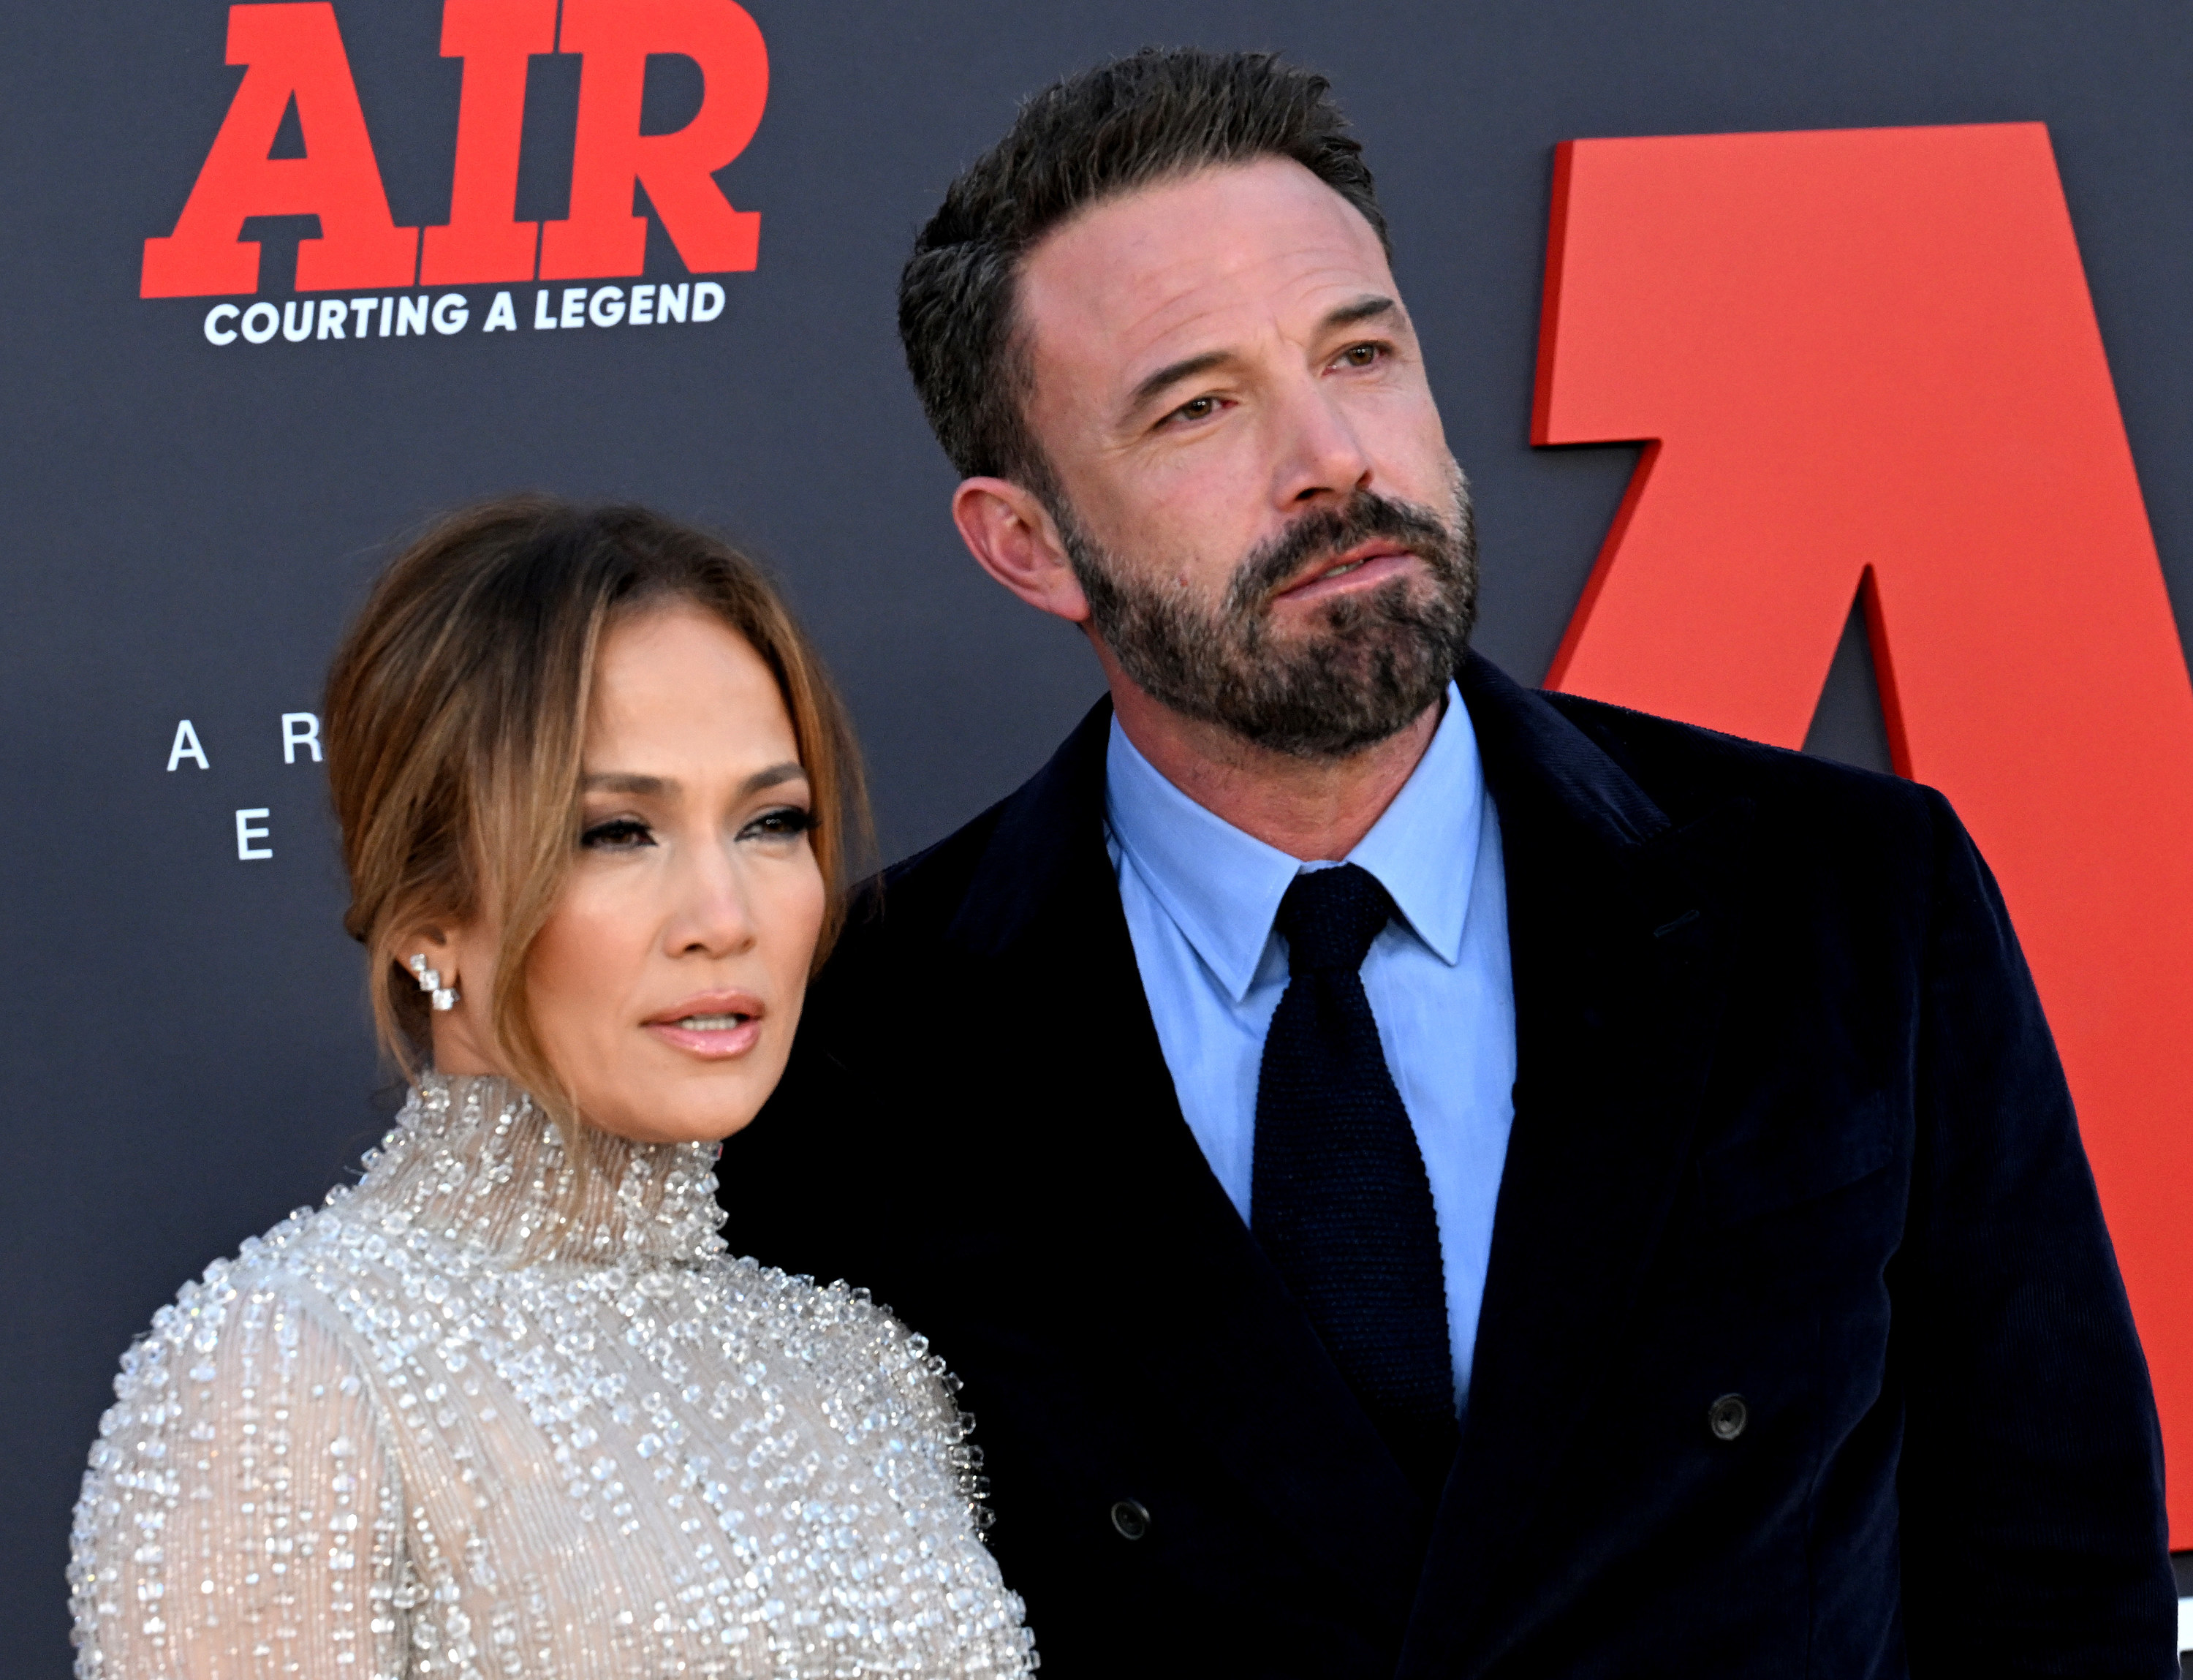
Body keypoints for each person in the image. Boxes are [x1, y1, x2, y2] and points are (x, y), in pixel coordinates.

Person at [719, 48, 2178, 1678]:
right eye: (1200, 405)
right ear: (1028, 543)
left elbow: (2063, 1591)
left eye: (1362, 352)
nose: (1333, 458)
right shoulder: (858, 1051)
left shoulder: (1848, 903)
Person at [68, 498, 1036, 1679]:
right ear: (432, 921)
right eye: (618, 832)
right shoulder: (290, 1365)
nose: (723, 918)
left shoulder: (863, 1372)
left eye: (772, 822)